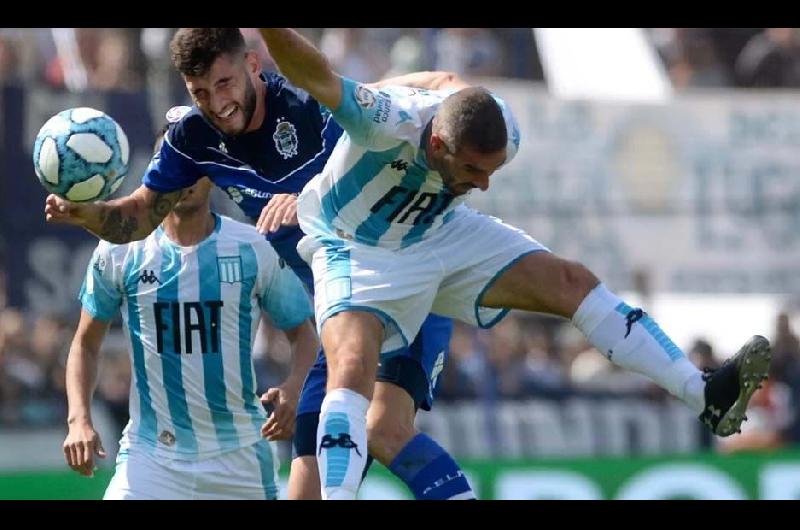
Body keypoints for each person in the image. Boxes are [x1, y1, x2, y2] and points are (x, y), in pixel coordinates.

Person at [255, 28, 773, 500]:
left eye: (492, 170)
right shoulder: (385, 121)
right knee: (352, 368)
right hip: (357, 245)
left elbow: (452, 83)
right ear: (435, 142)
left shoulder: (501, 126)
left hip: (436, 228)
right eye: (474, 170)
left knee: (572, 281)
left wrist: (451, 139)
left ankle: (706, 393)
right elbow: (316, 74)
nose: (485, 184)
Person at [47, 28, 475, 500]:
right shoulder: (189, 160)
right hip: (329, 326)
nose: (217, 102)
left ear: (252, 65)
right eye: (201, 93)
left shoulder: (307, 116)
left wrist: (310, 198)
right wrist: (86, 215)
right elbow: (130, 229)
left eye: (224, 84)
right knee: (308, 478)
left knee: (385, 427)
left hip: (398, 288)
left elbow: (380, 134)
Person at [61, 125, 319, 499]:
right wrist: (78, 419)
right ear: (156, 172)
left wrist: (294, 388)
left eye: (194, 162)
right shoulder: (120, 251)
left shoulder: (253, 248)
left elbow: (305, 336)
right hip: (152, 457)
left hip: (239, 459)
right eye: (172, 163)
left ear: (212, 172)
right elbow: (85, 343)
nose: (183, 175)